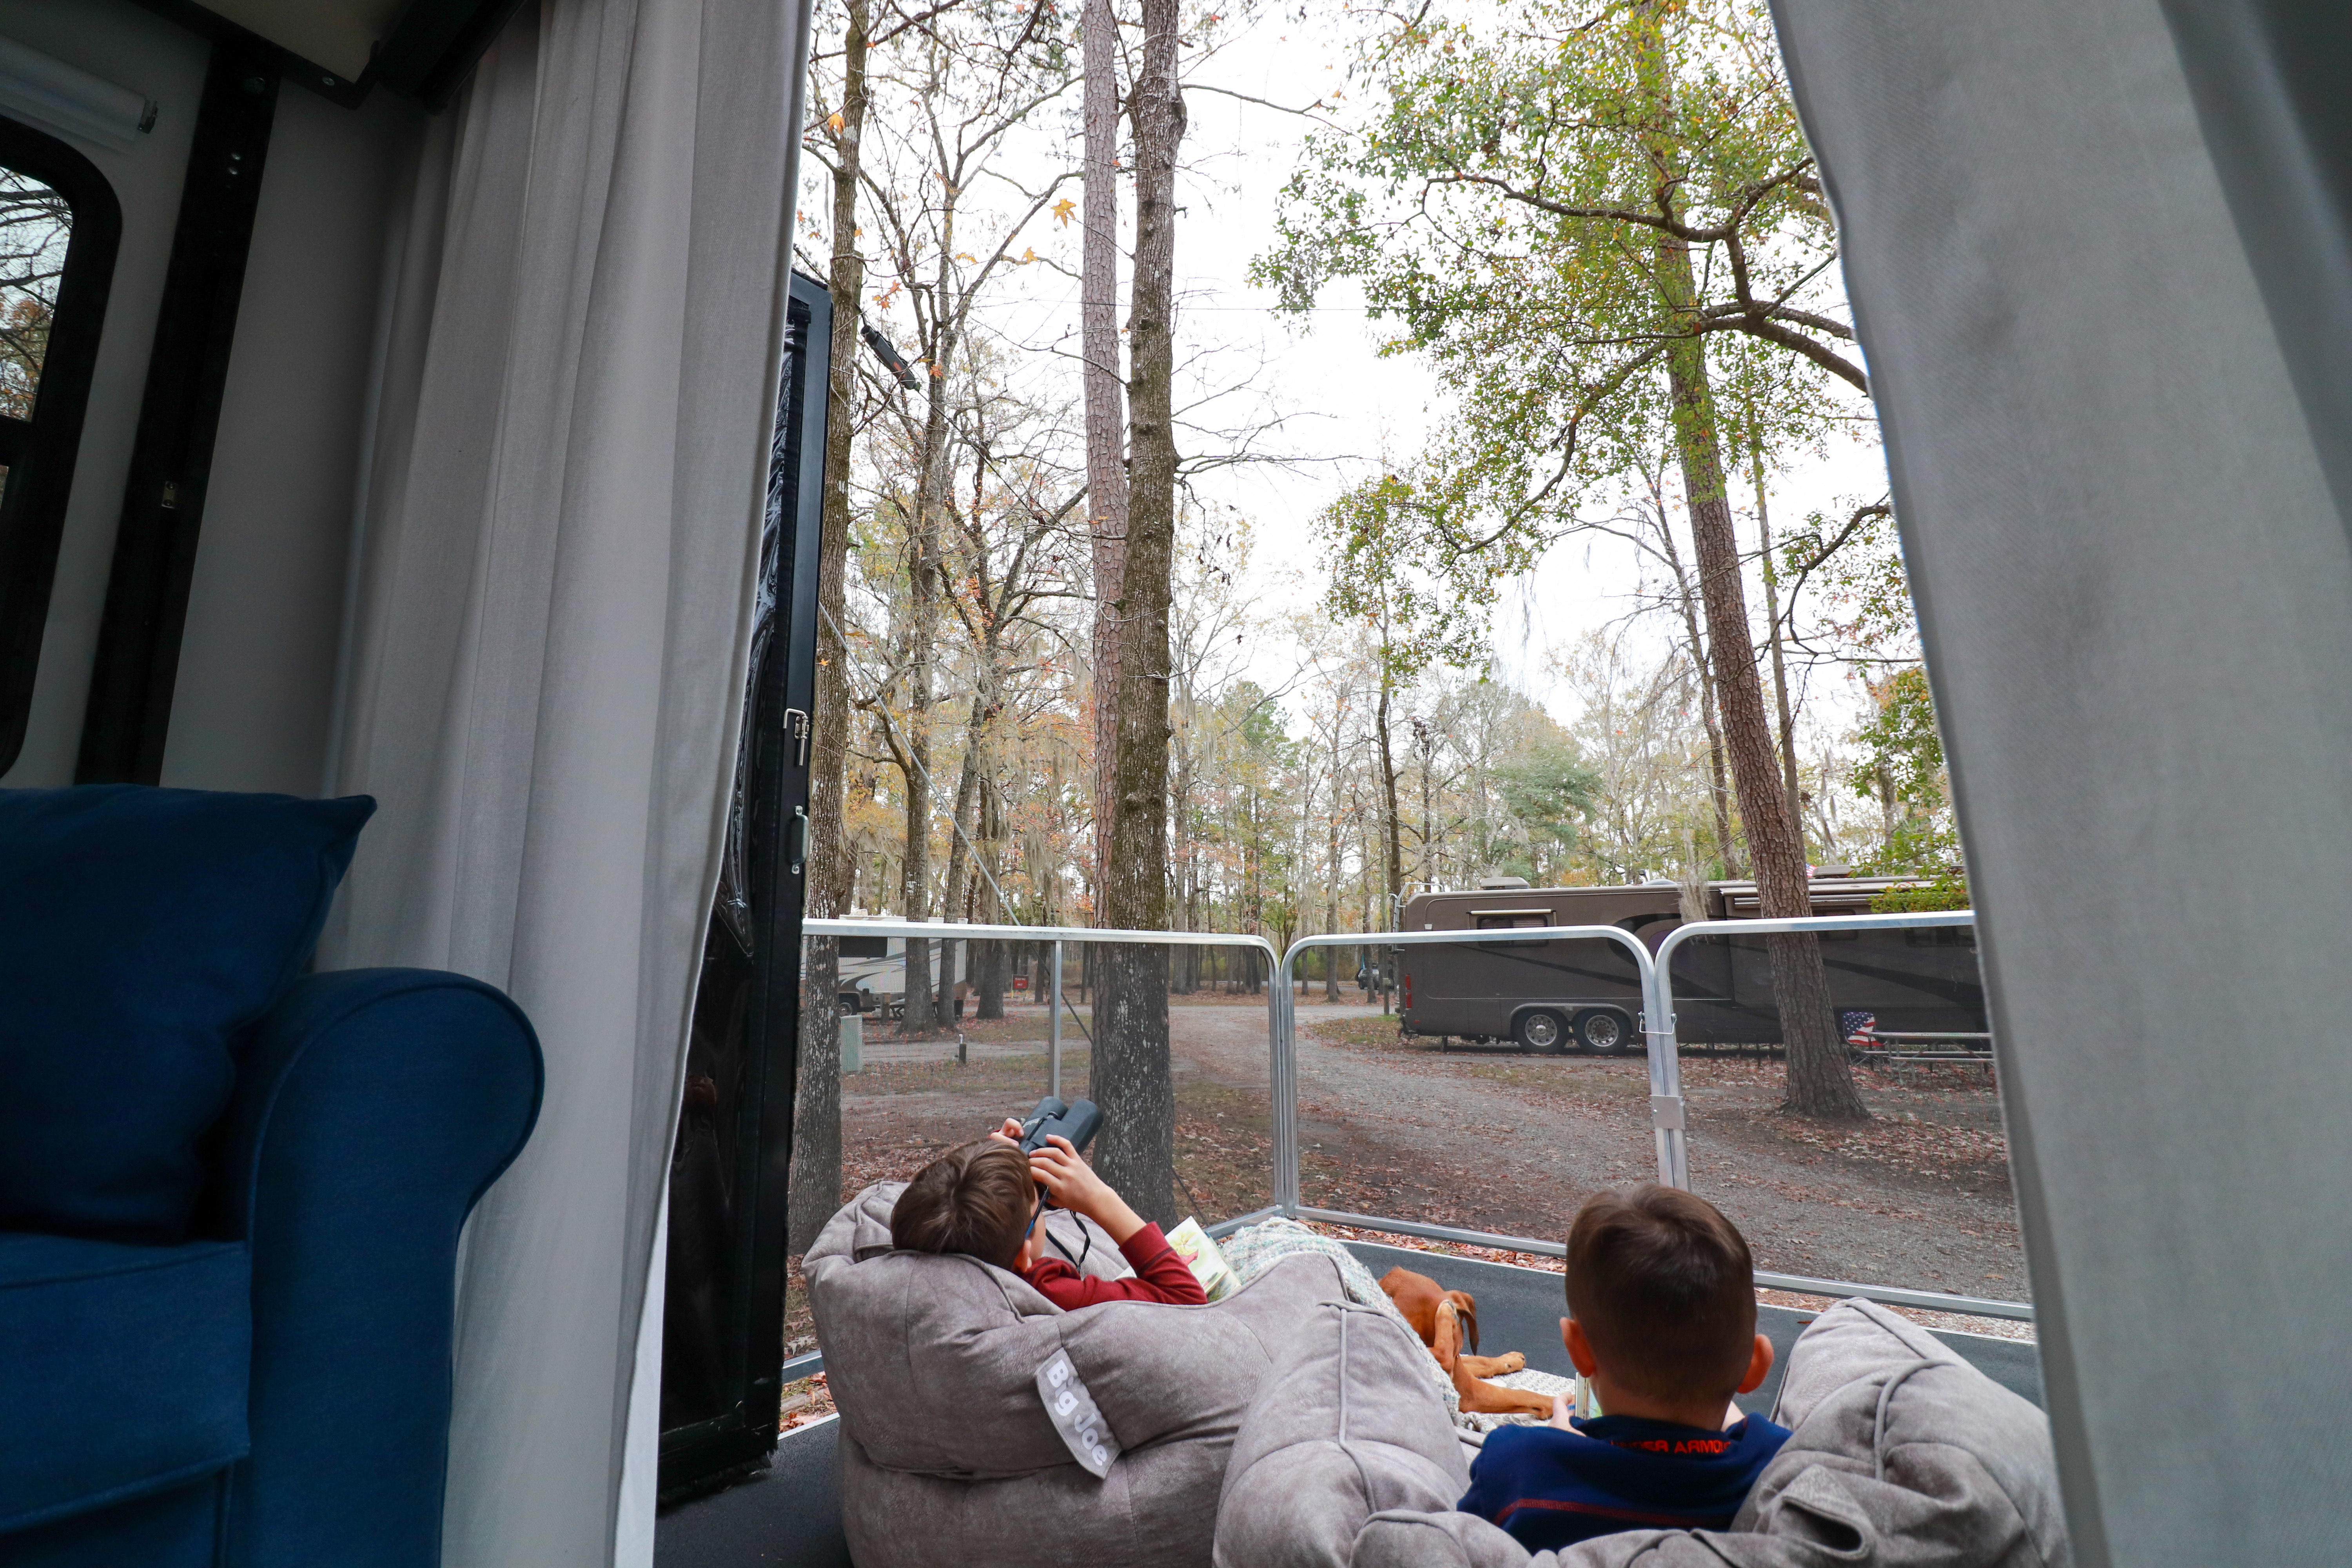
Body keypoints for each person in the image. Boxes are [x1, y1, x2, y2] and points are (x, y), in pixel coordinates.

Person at [1456, 1185, 1790, 1553]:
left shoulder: (1517, 1466)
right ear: (1757, 1365)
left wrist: (1558, 1447)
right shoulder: (1778, 1469)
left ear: (1578, 1351)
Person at [888, 1120, 1207, 1310]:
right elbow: (1188, 1300)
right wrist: (1099, 1198)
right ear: (1024, 1255)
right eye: (1038, 1204)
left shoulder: (914, 1269)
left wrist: (988, 1169)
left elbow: (948, 1206)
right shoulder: (1046, 1291)